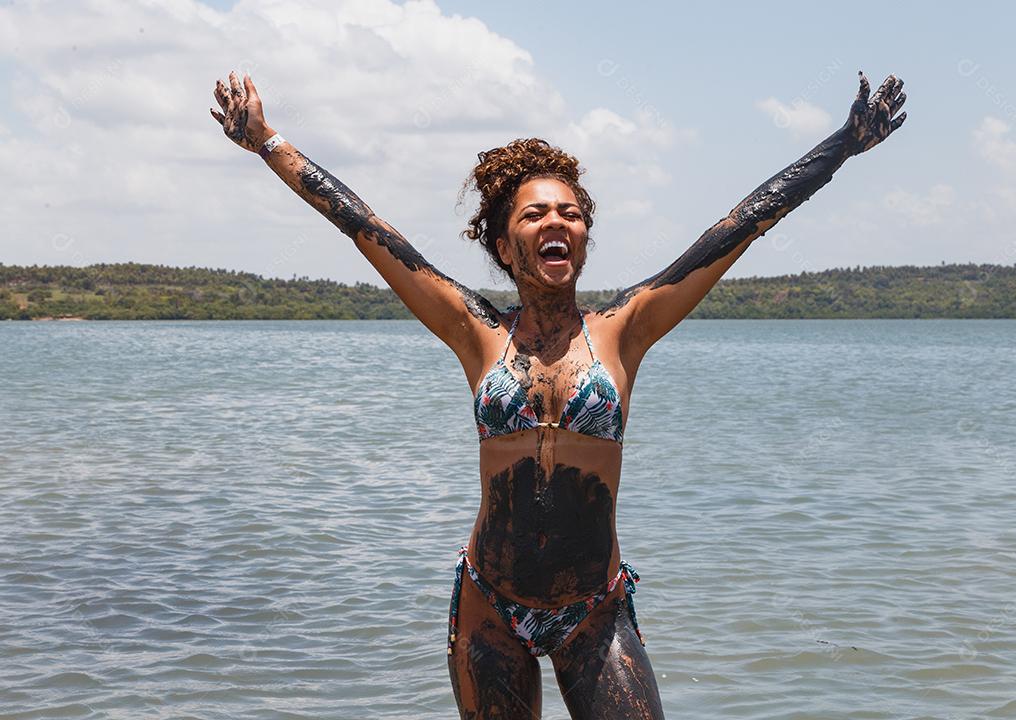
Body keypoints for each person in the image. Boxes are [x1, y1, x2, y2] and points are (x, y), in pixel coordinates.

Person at [211, 68, 906, 719]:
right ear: (505, 245)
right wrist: (268, 143)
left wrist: (843, 146)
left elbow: (740, 226)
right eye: (536, 212)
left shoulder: (626, 330)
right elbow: (365, 227)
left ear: (583, 236)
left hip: (593, 612)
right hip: (490, 604)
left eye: (571, 213)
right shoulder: (475, 331)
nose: (557, 222)